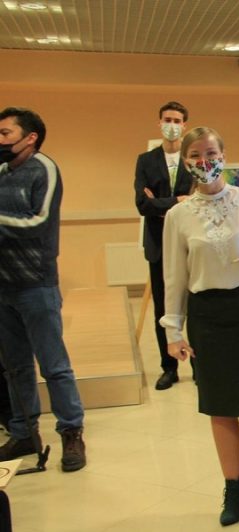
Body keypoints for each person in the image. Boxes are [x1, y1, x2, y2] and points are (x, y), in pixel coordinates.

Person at [159, 127, 239, 526]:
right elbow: (174, 277)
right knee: (220, 405)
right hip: (208, 316)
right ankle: (233, 484)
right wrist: (173, 332)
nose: (204, 161)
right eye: (195, 154)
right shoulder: (177, 216)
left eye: (211, 153)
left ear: (224, 155)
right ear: (185, 162)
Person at [0, 107, 87, 471]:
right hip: (3, 288)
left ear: (30, 137)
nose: (0, 140)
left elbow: (38, 222)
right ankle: (24, 433)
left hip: (36, 284)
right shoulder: (2, 171)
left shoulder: (45, 168)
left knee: (54, 366)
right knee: (15, 368)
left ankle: (71, 433)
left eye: (5, 133)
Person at [134, 101, 194, 390]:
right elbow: (142, 204)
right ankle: (169, 368)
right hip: (158, 245)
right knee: (163, 309)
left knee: (194, 306)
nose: (172, 124)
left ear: (185, 125)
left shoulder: (192, 158)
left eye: (177, 120)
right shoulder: (145, 160)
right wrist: (177, 201)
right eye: (167, 119)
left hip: (189, 243)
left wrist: (160, 204)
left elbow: (197, 201)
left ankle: (199, 366)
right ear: (159, 123)